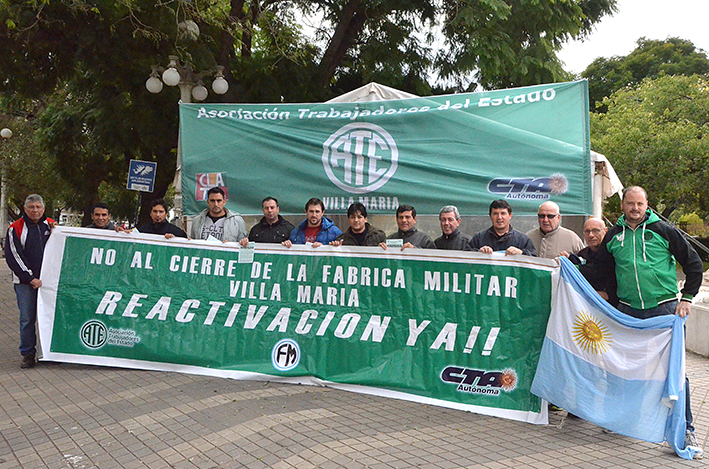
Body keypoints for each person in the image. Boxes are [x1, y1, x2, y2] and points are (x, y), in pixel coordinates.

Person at [580, 186, 703, 457]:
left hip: (664, 311)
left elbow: (694, 263)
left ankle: (686, 429)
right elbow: (599, 270)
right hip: (628, 312)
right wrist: (569, 266)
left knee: (674, 371)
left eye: (640, 203)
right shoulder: (614, 235)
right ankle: (620, 420)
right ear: (622, 205)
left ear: (647, 205)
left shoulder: (665, 231)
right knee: (623, 369)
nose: (635, 208)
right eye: (630, 203)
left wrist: (687, 298)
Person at [5, 194, 55, 369]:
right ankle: (27, 353)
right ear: (25, 209)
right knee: (27, 318)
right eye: (31, 207)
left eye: (38, 207)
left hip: (48, 283)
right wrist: (30, 278)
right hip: (25, 283)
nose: (35, 210)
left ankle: (49, 352)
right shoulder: (15, 228)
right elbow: (13, 256)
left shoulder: (51, 225)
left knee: (49, 317)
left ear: (43, 208)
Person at [567, 218, 618, 306]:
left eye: (595, 231)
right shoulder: (581, 255)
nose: (591, 235)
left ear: (606, 231)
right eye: (587, 231)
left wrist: (609, 295)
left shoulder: (616, 255)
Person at [465, 200, 536, 256]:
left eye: (503, 213)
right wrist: (478, 253)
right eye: (495, 214)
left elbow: (534, 261)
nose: (499, 217)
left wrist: (521, 253)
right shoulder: (479, 238)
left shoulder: (523, 240)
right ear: (490, 216)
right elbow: (465, 258)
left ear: (510, 216)